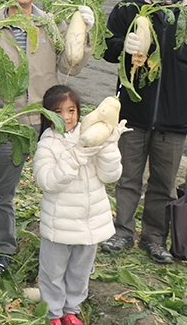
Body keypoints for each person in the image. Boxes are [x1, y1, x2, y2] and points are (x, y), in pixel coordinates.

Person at [0, 0, 95, 275]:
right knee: (2, 192)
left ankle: (65, 247)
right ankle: (4, 248)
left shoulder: (51, 23)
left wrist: (84, 34)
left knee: (62, 188)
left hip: (49, 121)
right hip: (8, 123)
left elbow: (69, 66)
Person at [99, 0, 187, 264]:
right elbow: (106, 49)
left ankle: (154, 237)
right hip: (132, 111)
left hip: (175, 114)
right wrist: (125, 45)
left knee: (163, 183)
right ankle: (122, 232)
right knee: (127, 177)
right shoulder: (127, 8)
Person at [33, 85, 124, 325]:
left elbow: (111, 175)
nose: (66, 117)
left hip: (90, 222)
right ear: (48, 115)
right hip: (59, 225)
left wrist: (109, 147)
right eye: (58, 112)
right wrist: (74, 156)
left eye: (71, 110)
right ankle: (53, 313)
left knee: (80, 272)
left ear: (79, 111)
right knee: (52, 273)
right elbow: (48, 181)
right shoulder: (47, 144)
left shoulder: (92, 134)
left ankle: (70, 310)